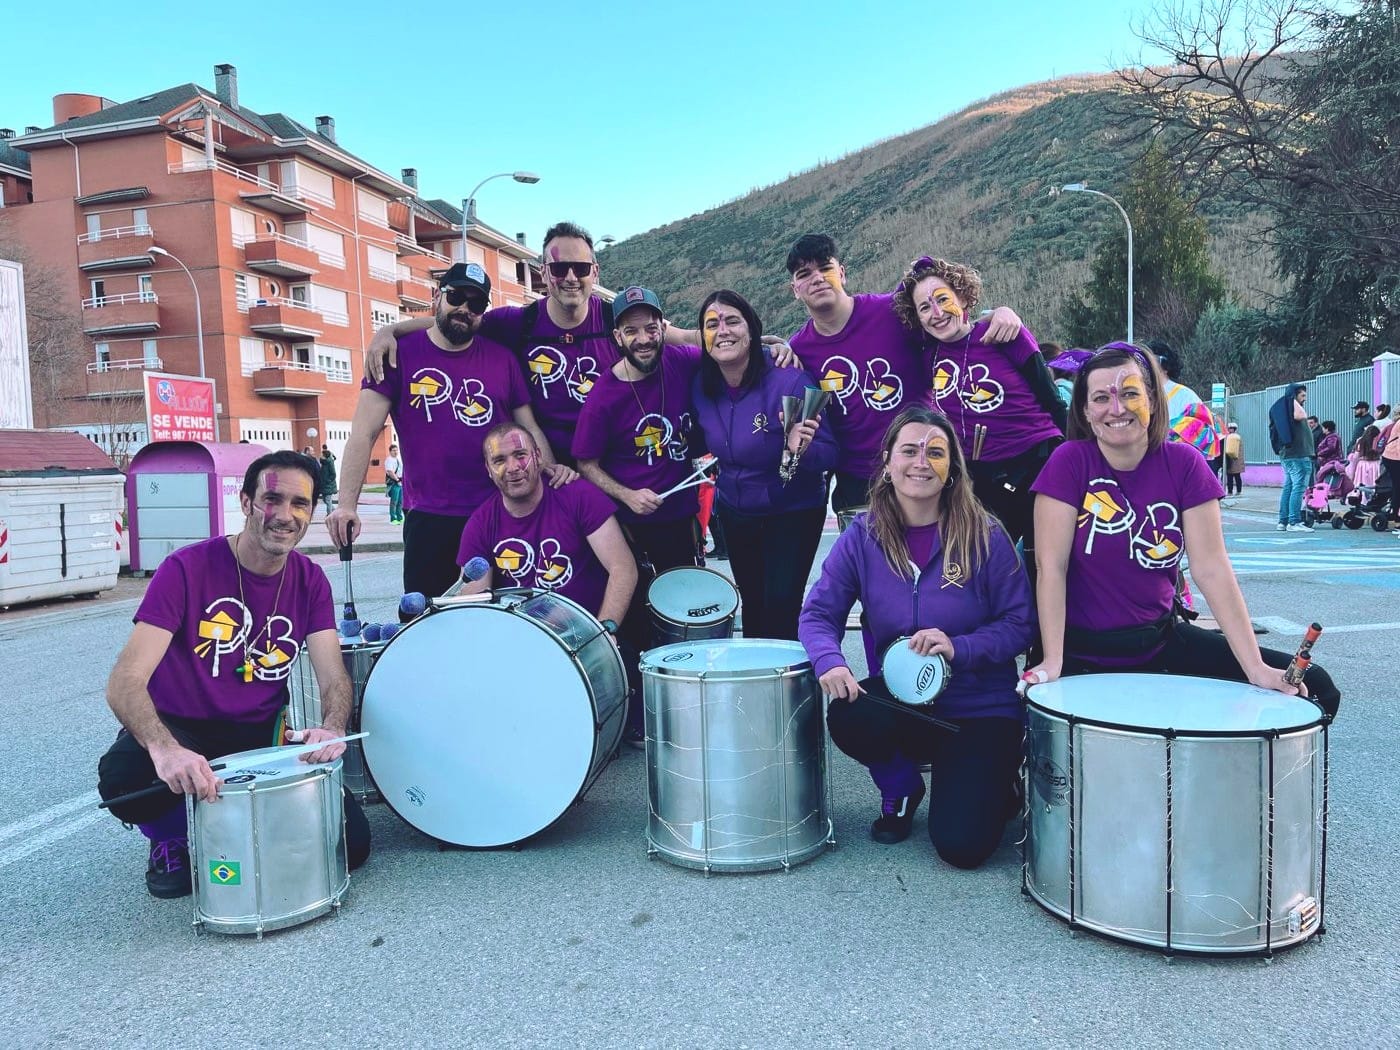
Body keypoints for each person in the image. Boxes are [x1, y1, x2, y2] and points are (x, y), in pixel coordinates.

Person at [97, 451, 371, 898]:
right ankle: (172, 838)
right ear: (246, 502)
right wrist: (166, 750)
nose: (284, 515)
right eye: (272, 499)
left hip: (260, 734)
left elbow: (333, 676)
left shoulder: (310, 580)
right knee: (122, 777)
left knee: (352, 847)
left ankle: (241, 827)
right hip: (182, 726)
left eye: (300, 504)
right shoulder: (185, 569)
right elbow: (124, 681)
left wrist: (332, 727)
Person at [1026, 343, 1340, 719]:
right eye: (1100, 398)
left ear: (1153, 401)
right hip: (1079, 649)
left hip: (1159, 642)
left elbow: (1212, 569)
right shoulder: (1069, 461)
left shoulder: (1185, 464)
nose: (1117, 408)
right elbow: (1051, 568)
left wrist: (1255, 668)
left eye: (1130, 393)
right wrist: (1054, 659)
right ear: (1085, 411)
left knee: (1315, 688)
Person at [799, 406, 1035, 866]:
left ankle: (995, 776)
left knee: (962, 847)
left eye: (936, 452)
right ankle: (902, 786)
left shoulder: (985, 535)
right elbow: (818, 613)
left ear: (951, 469)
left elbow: (1020, 624)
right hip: (903, 701)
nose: (921, 462)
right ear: (888, 462)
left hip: (979, 708)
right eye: (909, 450)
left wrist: (959, 647)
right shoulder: (863, 535)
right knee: (849, 715)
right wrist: (830, 661)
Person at [327, 263, 572, 600]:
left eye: (476, 304)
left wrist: (549, 472)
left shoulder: (502, 359)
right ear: (438, 296)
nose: (464, 309)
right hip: (430, 517)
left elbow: (528, 428)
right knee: (429, 620)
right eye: (456, 296)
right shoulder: (398, 355)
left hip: (498, 511)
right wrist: (346, 505)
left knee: (504, 616)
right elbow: (363, 434)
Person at [782, 234, 1023, 513]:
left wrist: (998, 313)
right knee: (868, 557)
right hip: (858, 481)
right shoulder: (799, 349)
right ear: (795, 289)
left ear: (842, 273)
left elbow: (946, 317)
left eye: (825, 268)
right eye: (805, 274)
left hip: (923, 463)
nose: (817, 278)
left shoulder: (892, 311)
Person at [366, 222, 620, 466]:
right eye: (559, 269)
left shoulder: (617, 321)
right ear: (543, 272)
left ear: (595, 272)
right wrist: (390, 330)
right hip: (546, 471)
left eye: (581, 268)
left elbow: (657, 335)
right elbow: (459, 319)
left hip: (610, 467)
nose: (571, 277)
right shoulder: (518, 323)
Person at [891, 256, 1064, 584]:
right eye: (924, 308)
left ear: (963, 296)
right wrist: (919, 269)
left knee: (1043, 565)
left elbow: (1052, 401)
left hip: (1037, 464)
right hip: (980, 475)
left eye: (943, 299)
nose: (937, 313)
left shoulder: (1002, 333)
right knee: (979, 570)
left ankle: (1049, 636)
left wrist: (1079, 460)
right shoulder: (930, 353)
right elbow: (897, 305)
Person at [690, 290, 837, 641]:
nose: (722, 330)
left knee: (781, 607)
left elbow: (829, 454)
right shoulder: (701, 386)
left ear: (752, 330)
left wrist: (797, 448)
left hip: (791, 511)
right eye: (712, 324)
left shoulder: (790, 379)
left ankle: (796, 690)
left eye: (732, 321)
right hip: (737, 512)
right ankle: (759, 690)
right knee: (753, 608)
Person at [574, 287, 704, 576]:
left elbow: (727, 350)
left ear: (662, 329)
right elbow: (586, 464)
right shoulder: (603, 397)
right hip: (631, 528)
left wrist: (770, 348)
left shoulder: (680, 360)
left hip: (681, 520)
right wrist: (628, 495)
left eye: (650, 328)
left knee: (684, 607)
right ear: (618, 336)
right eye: (631, 331)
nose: (643, 339)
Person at [455, 422, 637, 625]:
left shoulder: (580, 496)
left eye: (520, 455)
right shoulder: (480, 524)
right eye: (499, 460)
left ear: (538, 457)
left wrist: (605, 631)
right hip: (521, 639)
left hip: (586, 636)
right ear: (489, 470)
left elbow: (623, 569)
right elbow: (474, 604)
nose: (513, 467)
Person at [1269, 382, 1315, 532]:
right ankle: (1294, 522)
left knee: (1289, 487)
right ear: (1294, 395)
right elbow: (1302, 415)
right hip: (1298, 454)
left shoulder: (1283, 409)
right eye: (1302, 395)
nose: (1305, 399)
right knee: (1299, 487)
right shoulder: (1290, 406)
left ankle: (1283, 521)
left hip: (1289, 455)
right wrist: (1292, 398)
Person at [1380, 406, 1400, 530]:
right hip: (1394, 457)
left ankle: (1395, 513)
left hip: (1390, 456)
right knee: (1398, 486)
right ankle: (1396, 517)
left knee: (1397, 486)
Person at [383, 442, 404, 525]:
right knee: (394, 501)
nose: (395, 452)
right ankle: (393, 519)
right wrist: (397, 480)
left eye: (396, 450)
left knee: (400, 501)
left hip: (400, 482)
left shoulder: (397, 459)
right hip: (394, 483)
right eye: (393, 450)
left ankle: (400, 517)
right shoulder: (389, 460)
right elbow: (390, 472)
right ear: (390, 451)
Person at [1223, 422, 1245, 496]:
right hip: (1229, 460)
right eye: (1229, 428)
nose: (1230, 430)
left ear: (1234, 429)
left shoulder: (1236, 437)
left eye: (1231, 428)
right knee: (1230, 477)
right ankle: (1230, 491)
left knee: (1237, 476)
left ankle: (1238, 491)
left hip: (1236, 460)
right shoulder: (1228, 437)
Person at [318, 446, 338, 516]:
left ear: (324, 455)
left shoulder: (329, 463)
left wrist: (328, 481)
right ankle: (335, 511)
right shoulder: (323, 463)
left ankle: (329, 515)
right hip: (323, 485)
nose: (320, 455)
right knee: (325, 500)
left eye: (321, 454)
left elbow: (333, 474)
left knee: (328, 500)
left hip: (328, 485)